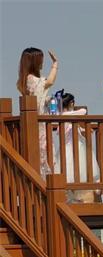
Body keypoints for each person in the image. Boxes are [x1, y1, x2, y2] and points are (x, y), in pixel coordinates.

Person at [16, 47, 58, 177]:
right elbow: (49, 82)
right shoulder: (31, 79)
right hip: (37, 125)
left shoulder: (23, 80)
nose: (42, 63)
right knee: (43, 156)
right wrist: (55, 64)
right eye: (40, 60)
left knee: (42, 156)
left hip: (34, 123)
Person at [54, 91, 100, 202]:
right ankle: (72, 197)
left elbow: (73, 130)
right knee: (73, 173)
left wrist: (84, 130)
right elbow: (83, 111)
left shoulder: (64, 116)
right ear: (71, 103)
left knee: (75, 173)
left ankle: (74, 197)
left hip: (72, 146)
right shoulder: (65, 115)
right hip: (72, 147)